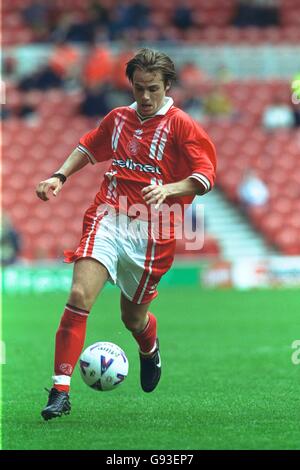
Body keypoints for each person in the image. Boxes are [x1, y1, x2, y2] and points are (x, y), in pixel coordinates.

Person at [36, 48, 216, 420]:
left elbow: (205, 177)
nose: (145, 97)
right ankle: (60, 390)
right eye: (138, 88)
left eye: (153, 89)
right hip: (108, 216)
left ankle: (149, 348)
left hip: (153, 233)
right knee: (78, 294)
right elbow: (88, 147)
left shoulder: (181, 125)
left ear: (167, 86)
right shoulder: (118, 118)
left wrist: (169, 189)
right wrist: (59, 176)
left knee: (132, 319)